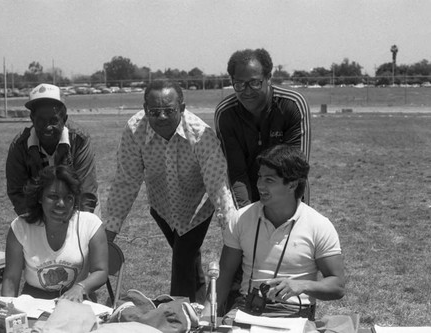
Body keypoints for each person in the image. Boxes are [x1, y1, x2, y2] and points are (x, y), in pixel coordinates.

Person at [105, 80, 237, 303]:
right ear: (145, 109)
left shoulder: (201, 136)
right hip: (162, 207)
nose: (162, 117)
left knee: (182, 259)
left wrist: (233, 236)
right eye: (154, 111)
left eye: (169, 110)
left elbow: (218, 189)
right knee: (189, 262)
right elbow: (126, 182)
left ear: (182, 108)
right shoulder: (134, 129)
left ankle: (176, 313)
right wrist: (107, 238)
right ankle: (197, 311)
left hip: (197, 207)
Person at [202, 145, 344, 322]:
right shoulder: (240, 219)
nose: (260, 185)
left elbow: (337, 285)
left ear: (292, 184)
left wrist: (303, 285)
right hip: (246, 306)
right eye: (260, 177)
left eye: (269, 180)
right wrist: (206, 318)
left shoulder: (319, 226)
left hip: (293, 311)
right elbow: (223, 277)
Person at [215, 48, 311, 209]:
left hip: (289, 194)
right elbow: (236, 172)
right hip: (248, 194)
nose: (247, 91)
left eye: (254, 83)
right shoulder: (226, 114)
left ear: (268, 78)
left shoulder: (292, 105)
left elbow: (295, 170)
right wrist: (246, 215)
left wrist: (282, 214)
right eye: (239, 84)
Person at [1, 165, 108, 301]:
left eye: (68, 197)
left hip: (76, 302)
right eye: (53, 196)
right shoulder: (21, 227)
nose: (61, 203)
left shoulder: (91, 225)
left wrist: (80, 287)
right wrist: (6, 311)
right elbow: (11, 278)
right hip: (34, 302)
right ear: (40, 197)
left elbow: (101, 271)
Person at [6, 83, 100, 216]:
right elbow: (17, 192)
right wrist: (37, 224)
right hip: (39, 209)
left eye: (54, 120)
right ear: (32, 119)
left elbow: (86, 192)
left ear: (64, 119)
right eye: (41, 120)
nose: (47, 127)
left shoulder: (79, 140)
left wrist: (78, 228)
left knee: (89, 229)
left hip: (78, 204)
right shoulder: (20, 146)